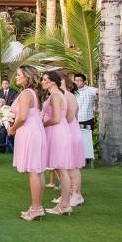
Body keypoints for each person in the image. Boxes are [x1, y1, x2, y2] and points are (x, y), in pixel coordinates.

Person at [8, 65, 47, 221]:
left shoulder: (25, 93)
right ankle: (36, 206)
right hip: (35, 131)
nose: (16, 77)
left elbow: (23, 117)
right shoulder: (33, 92)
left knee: (33, 171)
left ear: (27, 77)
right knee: (37, 170)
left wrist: (12, 129)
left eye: (19, 75)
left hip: (29, 132)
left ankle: (37, 208)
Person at [41, 70, 74, 215]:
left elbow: (55, 118)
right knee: (60, 170)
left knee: (62, 170)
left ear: (52, 81)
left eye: (44, 79)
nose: (42, 82)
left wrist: (41, 124)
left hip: (57, 132)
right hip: (59, 131)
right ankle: (63, 204)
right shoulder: (58, 95)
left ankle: (65, 205)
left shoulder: (55, 96)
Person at [56, 75, 86, 208]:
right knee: (64, 165)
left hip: (70, 131)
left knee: (72, 165)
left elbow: (70, 116)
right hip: (64, 131)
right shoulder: (59, 95)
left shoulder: (68, 96)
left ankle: (77, 194)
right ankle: (66, 194)